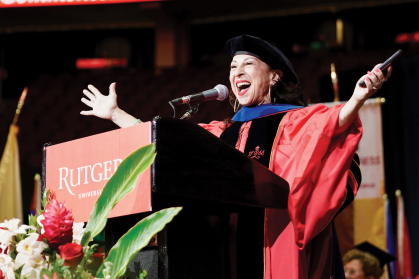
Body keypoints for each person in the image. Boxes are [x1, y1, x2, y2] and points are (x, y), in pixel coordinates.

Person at [81, 35, 391, 279]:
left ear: (274, 77)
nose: (236, 72)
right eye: (232, 67)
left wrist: (358, 97)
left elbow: (329, 126)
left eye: (247, 64)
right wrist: (116, 114)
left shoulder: (292, 121)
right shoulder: (222, 132)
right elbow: (164, 143)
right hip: (218, 248)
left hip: (274, 240)